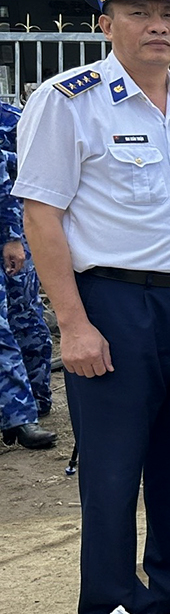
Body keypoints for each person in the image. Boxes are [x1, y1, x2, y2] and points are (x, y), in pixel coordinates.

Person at [14, 0, 170, 614]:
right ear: (105, 22)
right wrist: (71, 325)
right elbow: (41, 212)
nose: (158, 24)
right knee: (113, 468)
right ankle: (112, 610)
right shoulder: (70, 101)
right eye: (137, 9)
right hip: (114, 307)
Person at [0, 100, 55, 449]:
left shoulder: (14, 116)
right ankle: (23, 411)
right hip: (15, 231)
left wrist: (11, 236)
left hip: (13, 231)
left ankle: (29, 405)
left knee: (23, 317)